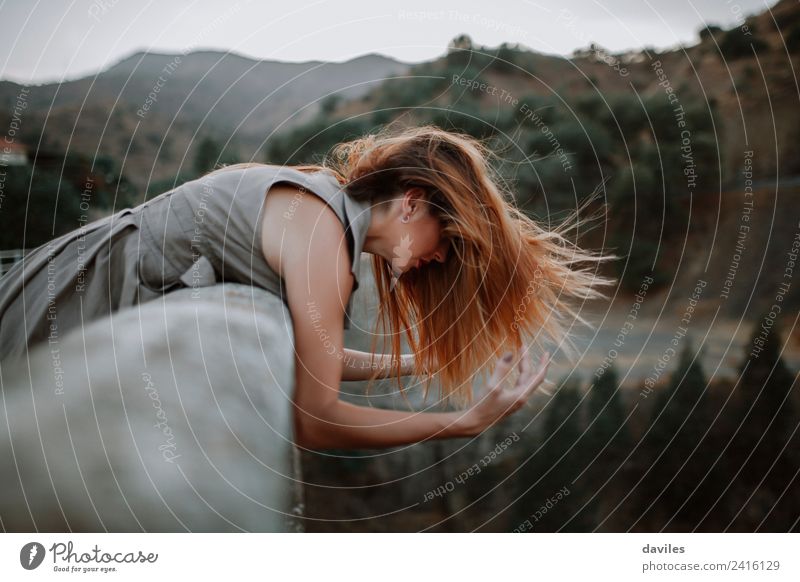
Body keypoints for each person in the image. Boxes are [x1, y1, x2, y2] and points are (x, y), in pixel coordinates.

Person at [0, 124, 616, 449]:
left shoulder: (321, 209)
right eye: (447, 240)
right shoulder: (323, 242)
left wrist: (417, 359)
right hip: (66, 305)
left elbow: (315, 360)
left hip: (69, 298)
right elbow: (316, 419)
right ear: (412, 203)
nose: (439, 260)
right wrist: (464, 422)